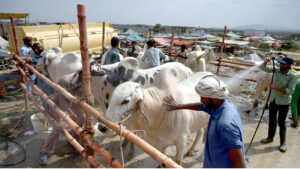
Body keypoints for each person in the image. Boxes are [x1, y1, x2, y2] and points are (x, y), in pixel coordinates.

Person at [163, 76, 247, 168]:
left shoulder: (225, 126)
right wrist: (178, 106)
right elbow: (201, 106)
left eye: (203, 97)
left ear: (214, 98)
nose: (201, 100)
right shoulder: (221, 106)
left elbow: (239, 162)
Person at [260, 56, 298, 152]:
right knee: (272, 120)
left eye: (283, 64)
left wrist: (275, 87)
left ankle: (283, 143)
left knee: (282, 122)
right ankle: (270, 137)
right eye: (280, 63)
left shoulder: (292, 76)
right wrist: (266, 61)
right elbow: (262, 68)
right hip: (273, 100)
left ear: (289, 65)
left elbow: (290, 91)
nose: (281, 65)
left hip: (284, 102)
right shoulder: (277, 70)